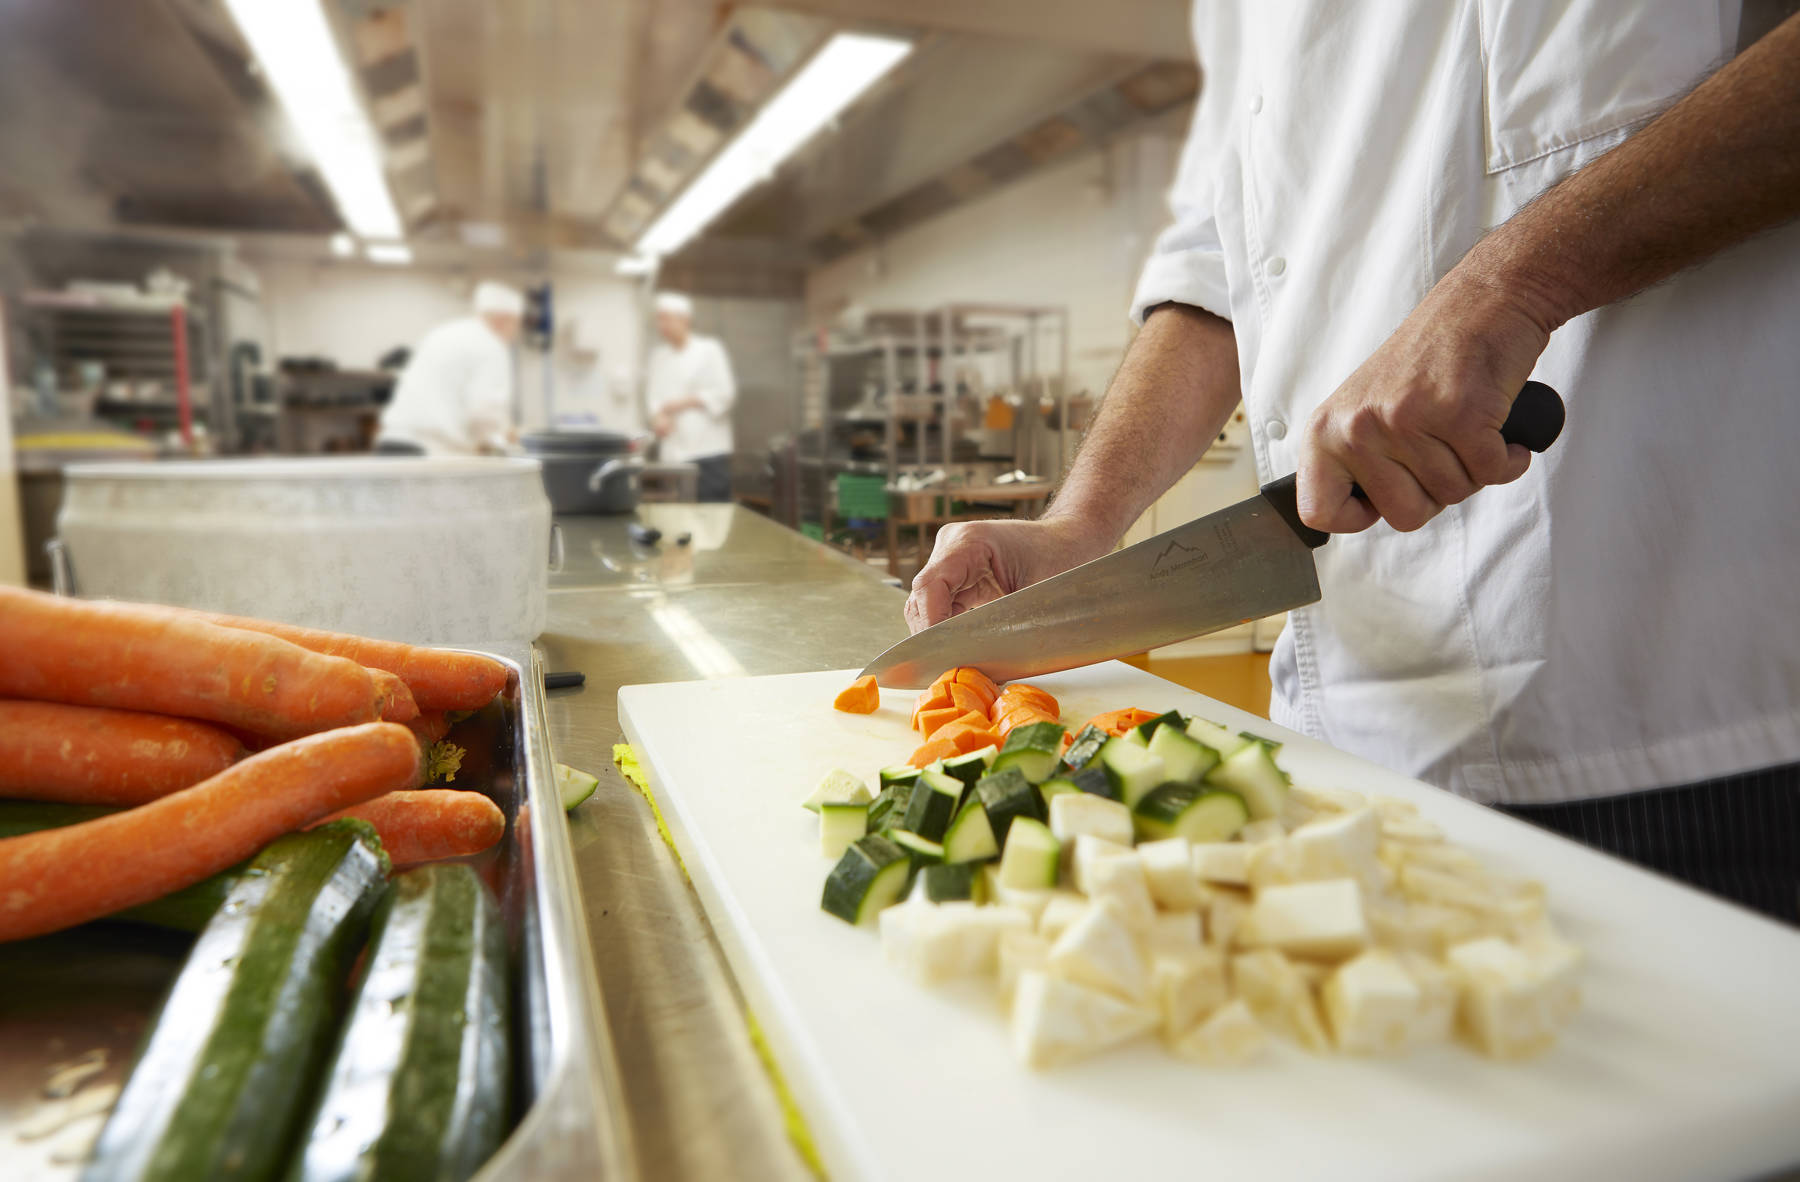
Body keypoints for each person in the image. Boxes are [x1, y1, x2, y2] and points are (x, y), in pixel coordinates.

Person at [907, 4, 1800, 922]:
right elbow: (1218, 264)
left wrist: (1516, 286)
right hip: (1342, 752)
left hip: (1682, 730)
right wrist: (1082, 524)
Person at [375, 281, 523, 456]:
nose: (515, 333)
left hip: (392, 441)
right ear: (503, 319)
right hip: (430, 451)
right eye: (516, 324)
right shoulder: (490, 344)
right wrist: (505, 441)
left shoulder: (444, 332)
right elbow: (484, 415)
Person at [644, 291, 737, 502]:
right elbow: (653, 398)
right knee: (675, 521)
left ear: (685, 319)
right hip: (672, 456)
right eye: (659, 319)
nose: (662, 325)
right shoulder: (659, 357)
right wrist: (658, 417)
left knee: (711, 520)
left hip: (707, 452)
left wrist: (682, 403)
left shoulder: (709, 350)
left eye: (666, 319)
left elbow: (725, 394)